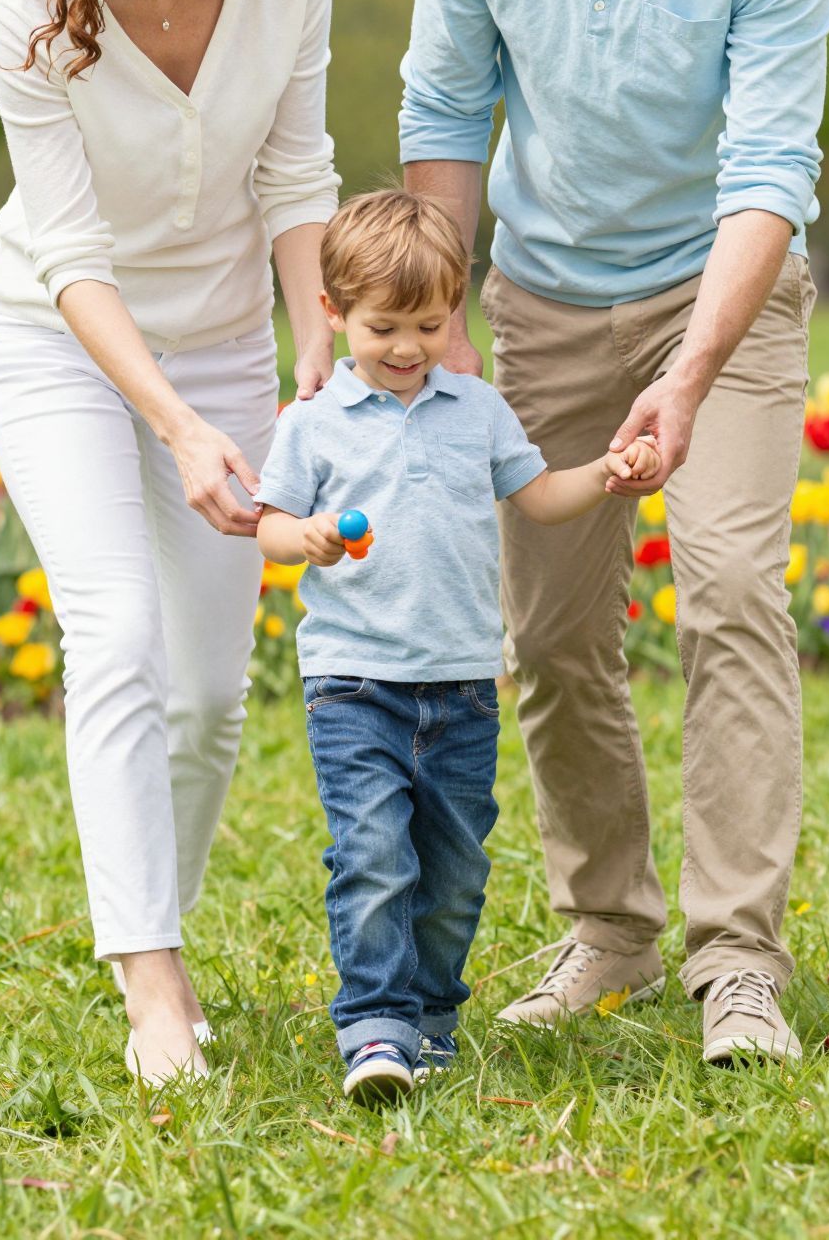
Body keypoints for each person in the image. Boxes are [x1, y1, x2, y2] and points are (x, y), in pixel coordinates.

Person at [400, 0, 829, 1066]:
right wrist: (443, 319)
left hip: (722, 293)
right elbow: (450, 113)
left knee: (727, 590)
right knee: (553, 630)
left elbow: (770, 170)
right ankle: (611, 931)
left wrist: (690, 373)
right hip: (536, 297)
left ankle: (740, 962)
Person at [0, 0, 339, 1087]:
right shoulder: (29, 14)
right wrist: (178, 430)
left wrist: (315, 346)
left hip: (233, 339)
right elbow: (71, 259)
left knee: (209, 702)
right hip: (64, 350)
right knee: (115, 632)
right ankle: (153, 989)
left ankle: (147, 917)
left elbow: (299, 168)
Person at [254, 190, 659, 1104]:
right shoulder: (315, 420)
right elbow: (267, 526)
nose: (406, 348)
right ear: (334, 315)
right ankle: (375, 1027)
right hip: (354, 681)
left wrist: (605, 473)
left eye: (429, 325)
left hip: (465, 685)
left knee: (454, 865)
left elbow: (539, 496)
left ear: (456, 310)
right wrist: (306, 534)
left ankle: (431, 1020)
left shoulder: (476, 409)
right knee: (373, 854)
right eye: (383, 326)